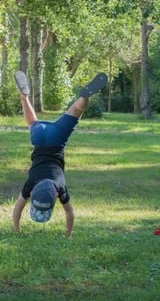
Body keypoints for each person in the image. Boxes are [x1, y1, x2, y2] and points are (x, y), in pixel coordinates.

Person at [12, 70, 107, 237]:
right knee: (32, 122)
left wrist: (68, 235)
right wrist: (16, 229)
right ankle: (24, 97)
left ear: (56, 196)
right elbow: (17, 210)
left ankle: (84, 97)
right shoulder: (31, 183)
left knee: (76, 110)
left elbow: (70, 213)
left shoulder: (60, 187)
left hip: (57, 139)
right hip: (40, 138)